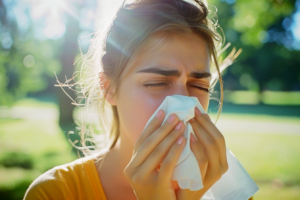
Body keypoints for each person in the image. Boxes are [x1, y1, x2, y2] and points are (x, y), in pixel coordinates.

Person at [24, 0, 251, 199]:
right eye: (157, 83)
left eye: (198, 85)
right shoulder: (56, 193)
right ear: (109, 88)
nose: (184, 101)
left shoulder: (230, 191)